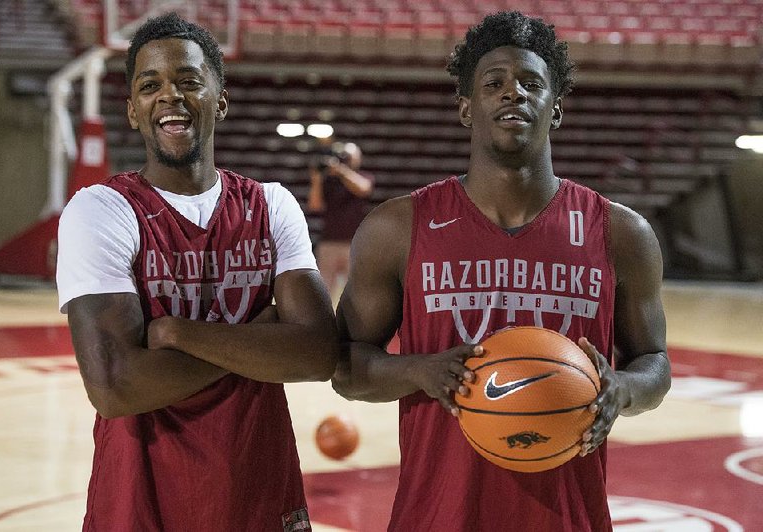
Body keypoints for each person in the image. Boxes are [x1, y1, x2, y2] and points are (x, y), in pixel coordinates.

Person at [332, 11, 671, 531]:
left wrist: (621, 389)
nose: (514, 93)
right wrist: (420, 370)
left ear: (555, 109)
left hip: (568, 517)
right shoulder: (398, 228)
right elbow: (344, 367)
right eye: (495, 83)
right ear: (467, 108)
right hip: (438, 515)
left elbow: (655, 363)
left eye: (532, 83)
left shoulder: (620, 233)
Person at [56, 12, 338, 531]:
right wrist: (259, 338)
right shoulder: (101, 210)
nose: (170, 95)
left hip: (259, 493)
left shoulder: (271, 205)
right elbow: (116, 387)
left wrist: (178, 334)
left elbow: (320, 353)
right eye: (150, 86)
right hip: (142, 501)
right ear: (134, 112)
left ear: (220, 101)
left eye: (189, 81)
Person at [307, 138, 374, 300]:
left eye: (349, 157)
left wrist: (341, 171)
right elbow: (314, 206)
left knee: (358, 291)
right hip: (329, 242)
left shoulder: (363, 176)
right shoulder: (330, 182)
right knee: (324, 292)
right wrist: (316, 179)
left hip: (354, 243)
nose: (345, 160)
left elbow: (363, 189)